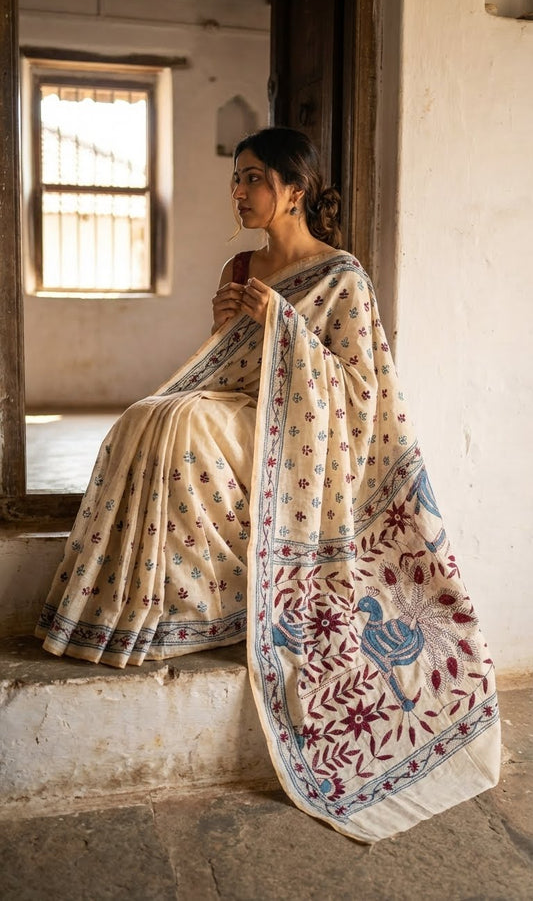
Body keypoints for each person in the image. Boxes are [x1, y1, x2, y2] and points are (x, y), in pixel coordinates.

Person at [36, 127, 500, 842]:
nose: (240, 191)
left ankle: (218, 603)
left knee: (184, 423)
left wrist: (283, 325)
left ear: (294, 189)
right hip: (242, 406)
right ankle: (164, 603)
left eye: (253, 177)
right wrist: (224, 326)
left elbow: (359, 389)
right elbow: (227, 362)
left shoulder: (342, 276)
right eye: (237, 178)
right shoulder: (241, 265)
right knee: (146, 417)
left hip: (301, 436)